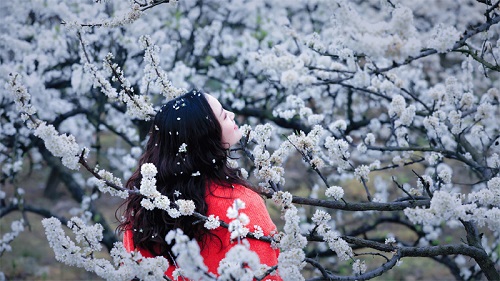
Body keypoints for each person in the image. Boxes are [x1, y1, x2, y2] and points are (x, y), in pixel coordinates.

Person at [117, 90, 281, 280]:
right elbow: (266, 274)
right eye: (223, 115)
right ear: (206, 136)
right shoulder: (242, 203)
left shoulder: (142, 208)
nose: (232, 115)